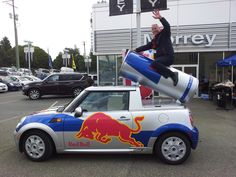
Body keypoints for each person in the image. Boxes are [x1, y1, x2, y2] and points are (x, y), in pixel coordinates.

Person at [135, 10, 178, 86]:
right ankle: (168, 78)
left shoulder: (165, 33)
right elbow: (146, 46)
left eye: (155, 28)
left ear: (159, 28)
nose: (154, 30)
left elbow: (167, 26)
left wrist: (160, 18)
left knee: (155, 63)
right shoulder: (155, 41)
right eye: (152, 29)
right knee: (154, 66)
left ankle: (173, 74)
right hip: (162, 58)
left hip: (168, 57)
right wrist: (135, 50)